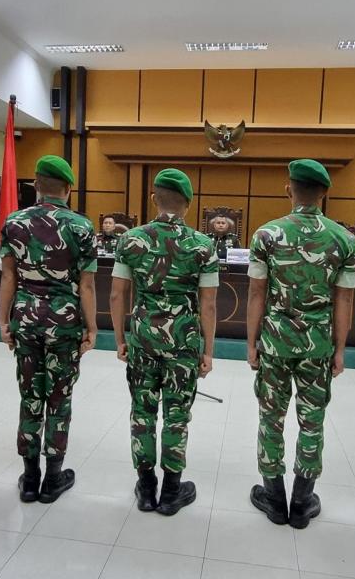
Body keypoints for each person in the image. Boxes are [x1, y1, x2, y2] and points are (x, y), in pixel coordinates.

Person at [247, 159, 355, 529]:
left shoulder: (266, 235)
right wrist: (340, 349)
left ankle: (274, 499)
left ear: (288, 188)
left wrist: (252, 343)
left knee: (270, 417)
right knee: (312, 421)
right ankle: (302, 499)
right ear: (325, 192)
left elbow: (256, 294)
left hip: (275, 344)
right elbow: (344, 300)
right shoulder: (344, 239)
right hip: (318, 346)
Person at [110, 168, 218, 516]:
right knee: (176, 415)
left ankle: (145, 489)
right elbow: (209, 304)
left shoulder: (130, 241)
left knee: (142, 413)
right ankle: (172, 492)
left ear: (154, 198)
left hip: (142, 337)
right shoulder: (203, 245)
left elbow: (116, 295)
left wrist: (120, 340)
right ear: (188, 203)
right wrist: (208, 351)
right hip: (184, 341)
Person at [0, 154, 97, 504]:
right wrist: (92, 327)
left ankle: (29, 479)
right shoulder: (82, 227)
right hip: (65, 322)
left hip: (25, 317)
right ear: (68, 188)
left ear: (36, 185)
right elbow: (86, 285)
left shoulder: (13, 222)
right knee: (59, 398)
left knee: (30, 397)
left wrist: (3, 320)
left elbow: (8, 276)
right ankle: (53, 478)